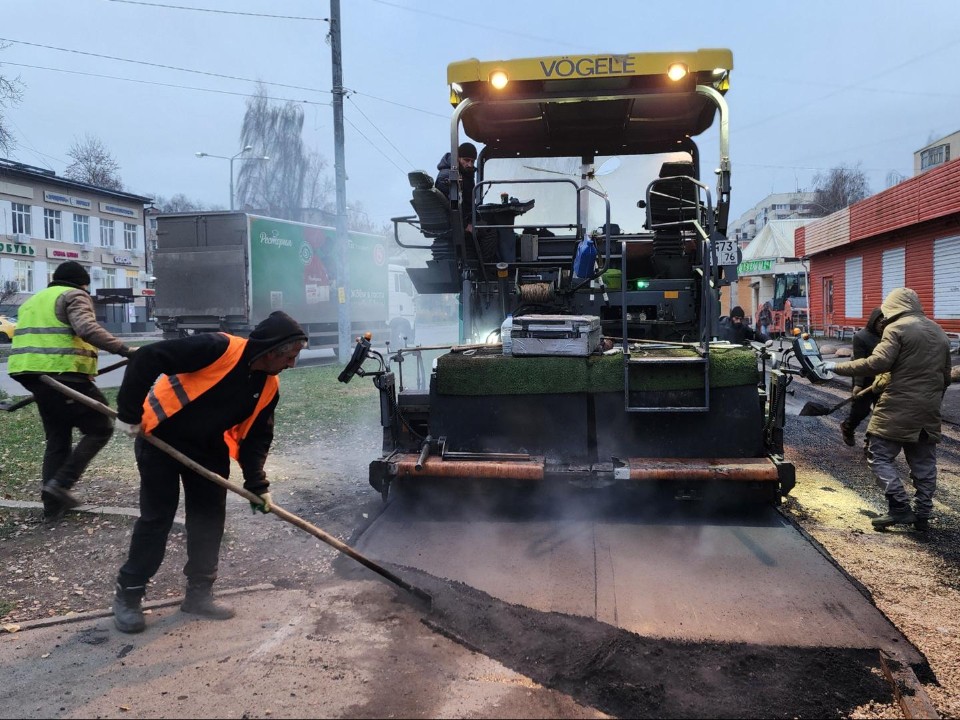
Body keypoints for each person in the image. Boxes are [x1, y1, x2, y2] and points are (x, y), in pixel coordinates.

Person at [110, 311, 308, 633]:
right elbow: (147, 357)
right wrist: (129, 413)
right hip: (160, 437)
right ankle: (129, 594)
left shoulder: (268, 387)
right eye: (289, 356)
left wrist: (257, 483)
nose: (292, 364)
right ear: (272, 350)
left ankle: (199, 593)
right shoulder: (218, 348)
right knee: (157, 519)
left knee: (209, 520)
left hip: (207, 448)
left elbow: (256, 438)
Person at [7, 260, 135, 521]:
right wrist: (125, 350)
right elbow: (86, 329)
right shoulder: (74, 295)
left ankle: (52, 507)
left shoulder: (33, 301)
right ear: (83, 283)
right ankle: (61, 484)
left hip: (30, 374)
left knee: (58, 437)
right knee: (100, 427)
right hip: (61, 373)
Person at [822, 288, 951, 531]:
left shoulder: (897, 328)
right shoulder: (938, 331)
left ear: (892, 307)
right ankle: (922, 514)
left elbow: (877, 362)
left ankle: (899, 507)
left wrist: (835, 367)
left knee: (878, 454)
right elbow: (945, 376)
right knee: (924, 464)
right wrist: (932, 402)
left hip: (897, 406)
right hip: (929, 409)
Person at [434, 142, 497, 261]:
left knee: (488, 222)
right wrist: (465, 225)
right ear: (457, 158)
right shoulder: (449, 177)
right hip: (453, 223)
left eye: (472, 161)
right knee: (490, 231)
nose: (470, 164)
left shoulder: (465, 174)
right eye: (466, 160)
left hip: (461, 219)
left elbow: (466, 204)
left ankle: (478, 261)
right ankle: (485, 266)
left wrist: (476, 218)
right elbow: (449, 206)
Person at [839, 307, 884, 446]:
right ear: (873, 321)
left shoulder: (889, 336)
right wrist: (858, 384)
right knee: (861, 410)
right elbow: (859, 363)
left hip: (883, 379)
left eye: (885, 322)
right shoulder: (861, 337)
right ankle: (848, 427)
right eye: (880, 322)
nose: (882, 325)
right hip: (864, 377)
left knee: (881, 414)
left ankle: (870, 444)